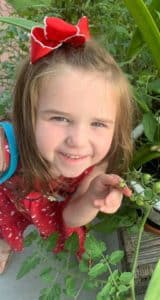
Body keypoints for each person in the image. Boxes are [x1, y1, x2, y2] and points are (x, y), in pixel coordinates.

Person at [0, 16, 134, 273]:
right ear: (29, 114)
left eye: (98, 124)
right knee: (6, 229)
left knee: (70, 240)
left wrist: (93, 198)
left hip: (53, 216)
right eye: (60, 118)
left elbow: (70, 217)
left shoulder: (96, 165)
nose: (78, 141)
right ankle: (4, 246)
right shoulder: (8, 147)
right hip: (13, 209)